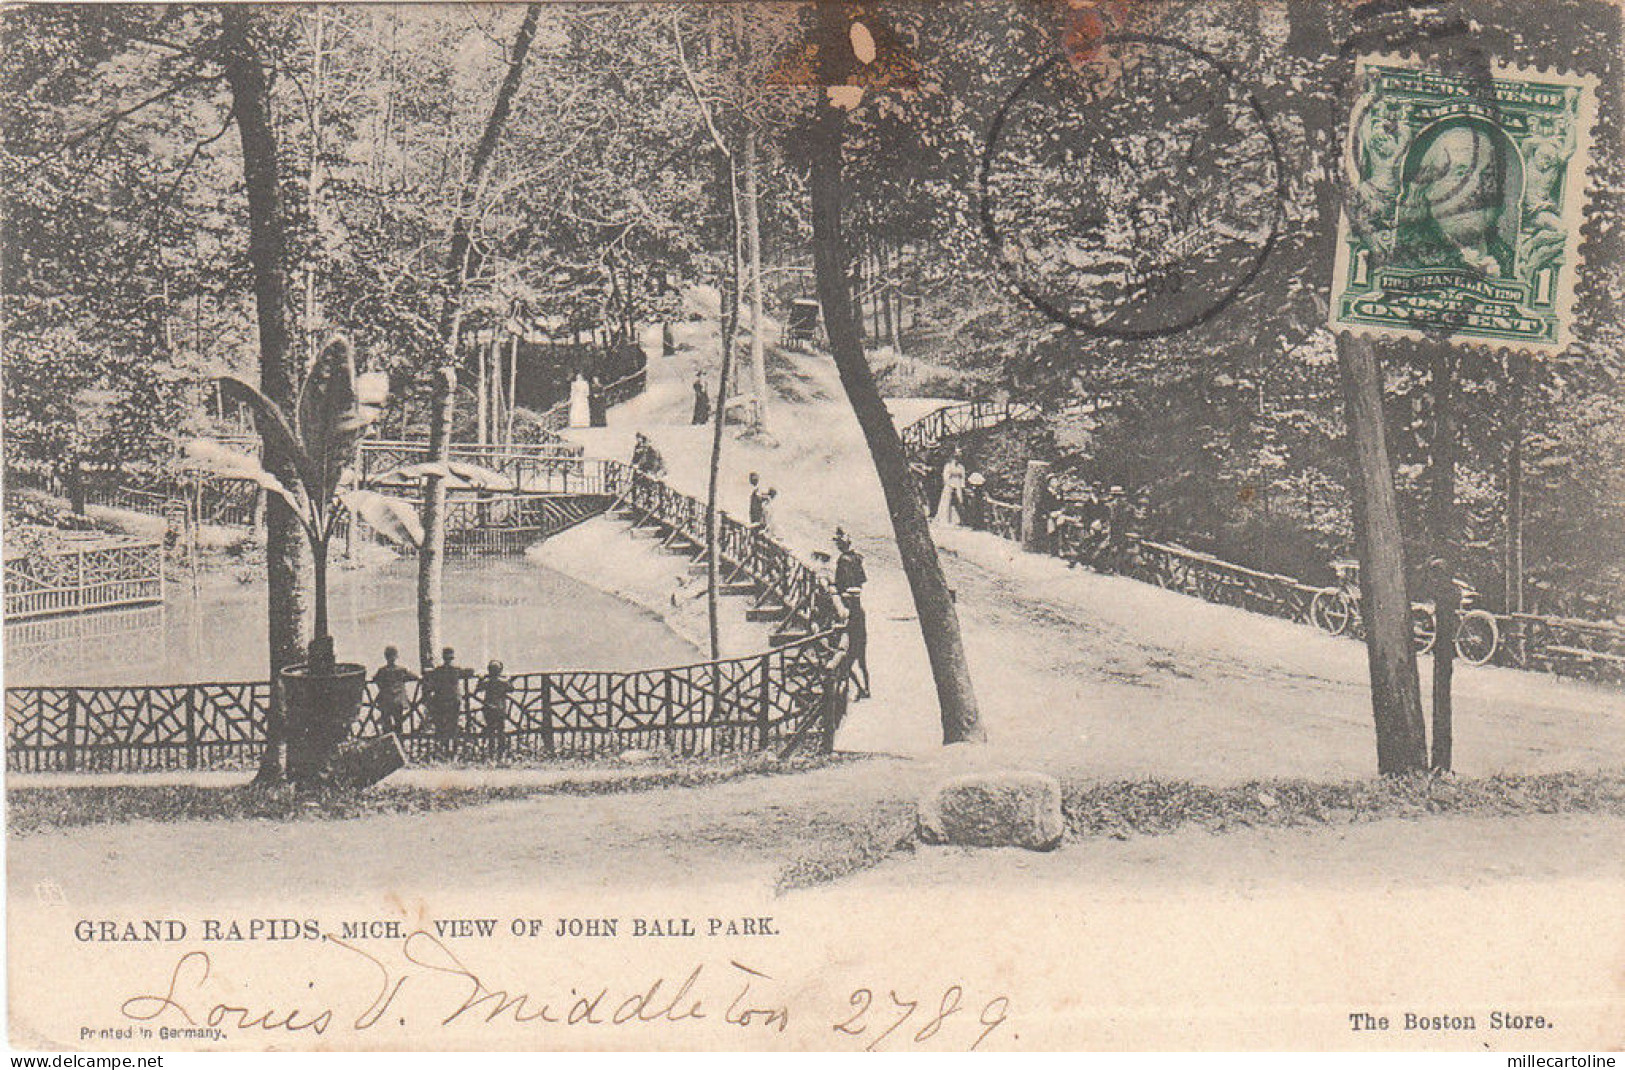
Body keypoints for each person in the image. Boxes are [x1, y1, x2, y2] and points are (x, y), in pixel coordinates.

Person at [420, 647, 473, 750]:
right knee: (453, 724)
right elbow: (470, 671)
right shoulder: (456, 670)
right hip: (454, 701)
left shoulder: (438, 671)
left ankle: (442, 747)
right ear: (452, 658)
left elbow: (429, 677)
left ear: (443, 658)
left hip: (440, 701)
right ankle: (453, 748)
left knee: (441, 725)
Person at [370, 645, 418, 737]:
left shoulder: (382, 671)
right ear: (396, 657)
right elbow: (415, 677)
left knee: (386, 724)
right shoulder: (402, 670)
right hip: (398, 701)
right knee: (398, 723)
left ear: (385, 657)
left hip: (385, 701)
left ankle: (388, 745)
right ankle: (399, 743)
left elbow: (375, 679)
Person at [476, 661, 510, 755]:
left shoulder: (486, 682)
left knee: (490, 731)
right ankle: (501, 753)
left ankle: (491, 752)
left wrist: (481, 678)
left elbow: (478, 688)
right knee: (501, 731)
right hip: (500, 708)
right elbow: (511, 688)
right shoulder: (503, 682)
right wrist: (507, 678)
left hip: (488, 708)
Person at [841, 589, 870, 701]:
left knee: (846, 667)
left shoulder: (855, 612)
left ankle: (861, 688)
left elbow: (850, 628)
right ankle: (866, 689)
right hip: (861, 641)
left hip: (856, 643)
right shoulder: (859, 611)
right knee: (862, 666)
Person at [938, 450, 967, 525]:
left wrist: (962, 485)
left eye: (958, 458)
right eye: (955, 458)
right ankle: (945, 519)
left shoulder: (961, 467)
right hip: (950, 483)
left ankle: (958, 519)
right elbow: (945, 475)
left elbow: (963, 476)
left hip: (958, 484)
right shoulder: (948, 465)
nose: (956, 460)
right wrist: (948, 483)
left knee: (959, 501)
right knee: (947, 501)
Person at [833, 528, 866, 592]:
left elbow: (840, 580)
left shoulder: (843, 559)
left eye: (838, 543)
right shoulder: (856, 557)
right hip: (857, 588)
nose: (837, 546)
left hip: (846, 590)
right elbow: (862, 578)